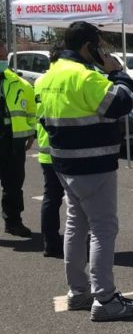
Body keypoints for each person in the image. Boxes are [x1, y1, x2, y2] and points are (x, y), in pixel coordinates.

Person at [35, 21, 133, 320]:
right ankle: (105, 299)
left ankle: (78, 292)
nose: (103, 51)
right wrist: (117, 73)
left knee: (75, 226)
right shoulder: (85, 77)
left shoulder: (47, 77)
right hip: (94, 164)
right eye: (100, 46)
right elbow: (123, 103)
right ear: (88, 47)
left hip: (62, 163)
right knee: (102, 229)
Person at [0, 41, 36, 238]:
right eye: (1, 57)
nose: (3, 61)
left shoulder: (19, 83)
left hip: (12, 142)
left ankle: (13, 222)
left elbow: (31, 109)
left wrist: (30, 132)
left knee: (13, 185)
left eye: (4, 57)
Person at [34, 46, 64, 258]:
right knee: (78, 200)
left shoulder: (41, 80)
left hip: (46, 148)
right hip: (68, 149)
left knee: (51, 196)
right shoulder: (67, 78)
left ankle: (50, 242)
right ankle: (80, 241)